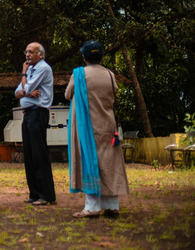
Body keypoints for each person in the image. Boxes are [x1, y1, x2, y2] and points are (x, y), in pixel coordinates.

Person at [66, 40, 129, 218]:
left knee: (90, 161)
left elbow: (67, 94)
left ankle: (92, 207)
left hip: (87, 126)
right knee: (109, 162)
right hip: (108, 124)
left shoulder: (79, 74)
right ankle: (112, 205)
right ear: (101, 56)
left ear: (84, 57)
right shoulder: (110, 74)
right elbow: (114, 93)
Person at [15, 42, 56, 206]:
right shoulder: (32, 69)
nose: (27, 55)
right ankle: (34, 193)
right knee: (30, 154)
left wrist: (24, 75)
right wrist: (27, 92)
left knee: (39, 154)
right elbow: (17, 92)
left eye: (31, 52)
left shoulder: (42, 68)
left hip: (38, 113)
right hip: (28, 114)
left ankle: (46, 195)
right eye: (26, 52)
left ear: (41, 54)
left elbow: (28, 86)